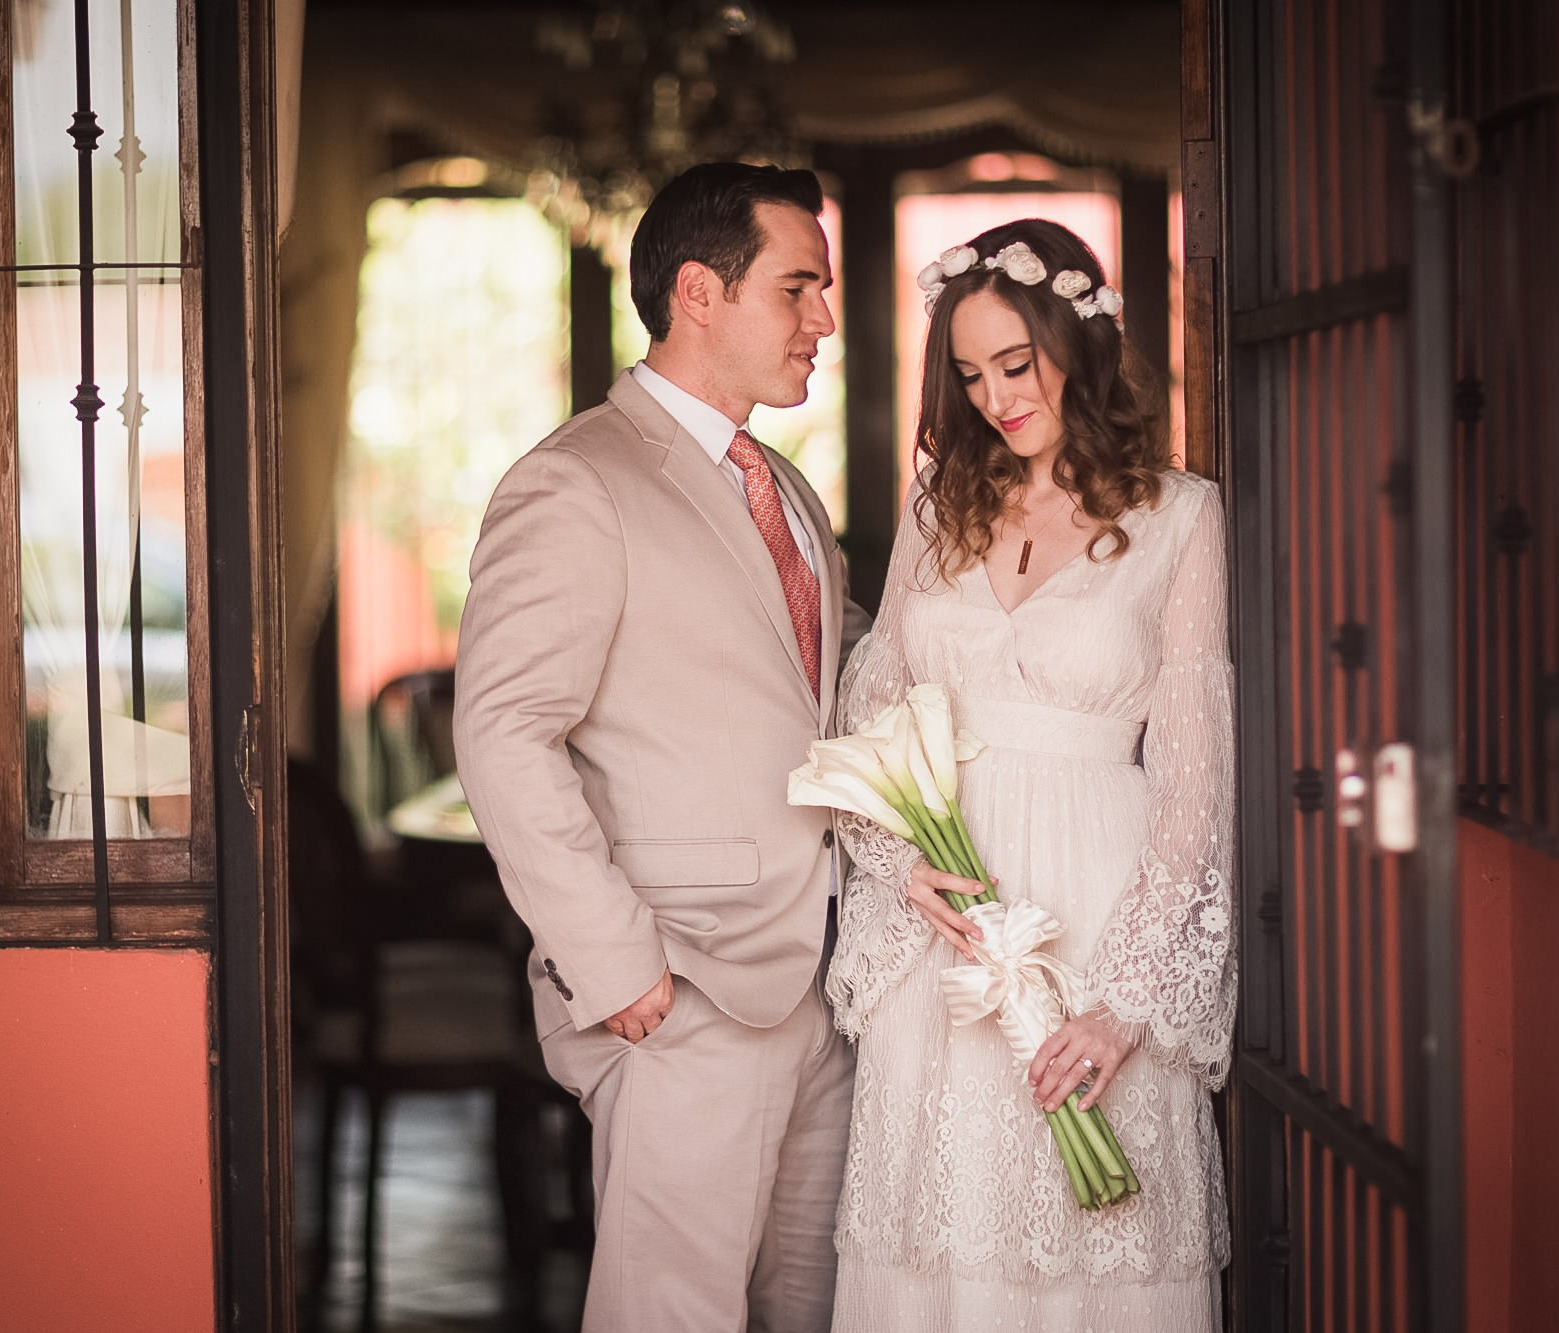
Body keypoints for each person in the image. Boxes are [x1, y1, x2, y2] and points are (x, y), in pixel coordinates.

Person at [452, 161, 871, 1333]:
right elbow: (500, 728)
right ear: (699, 290)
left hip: (826, 986)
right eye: (798, 288)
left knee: (812, 1309)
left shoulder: (782, 485)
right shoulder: (575, 480)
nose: (823, 319)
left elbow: (837, 684)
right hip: (679, 989)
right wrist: (615, 960)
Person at [824, 218, 1236, 1331]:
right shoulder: (935, 511)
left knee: (1092, 1244)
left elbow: (1196, 787)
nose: (996, 396)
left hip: (1098, 917)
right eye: (969, 373)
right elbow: (871, 708)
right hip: (947, 933)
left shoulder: (1179, 516)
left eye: (1016, 362)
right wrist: (900, 859)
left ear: (1079, 344)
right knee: (938, 1242)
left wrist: (1119, 1011)